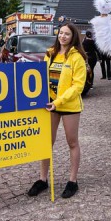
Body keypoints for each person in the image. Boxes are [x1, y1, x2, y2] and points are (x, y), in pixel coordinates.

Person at [27, 22, 87, 199]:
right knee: (46, 142)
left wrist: (59, 101)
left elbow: (78, 86)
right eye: (61, 33)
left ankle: (72, 181)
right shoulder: (50, 53)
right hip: (50, 105)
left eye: (67, 34)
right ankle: (42, 179)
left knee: (72, 142)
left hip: (69, 106)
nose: (63, 36)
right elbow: (40, 76)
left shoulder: (77, 57)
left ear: (73, 37)